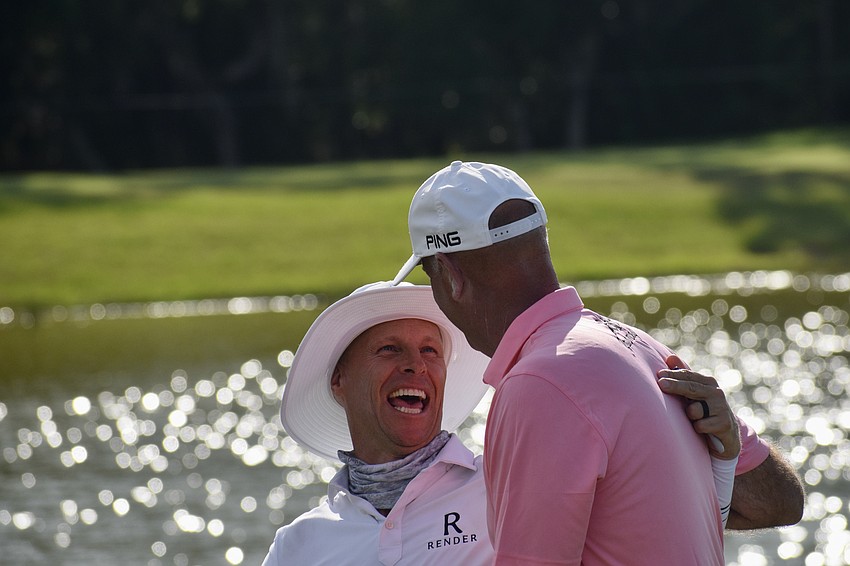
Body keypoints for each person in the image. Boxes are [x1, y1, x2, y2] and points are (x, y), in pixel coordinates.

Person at [391, 161, 804, 564]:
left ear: (449, 275)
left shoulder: (537, 383)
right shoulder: (643, 347)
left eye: (430, 278)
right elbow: (782, 502)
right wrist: (722, 457)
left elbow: (781, 504)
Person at [262, 282, 778, 565]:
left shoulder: (510, 481)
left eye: (429, 351)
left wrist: (724, 453)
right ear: (341, 382)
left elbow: (773, 506)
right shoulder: (298, 546)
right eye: (388, 349)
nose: (415, 365)